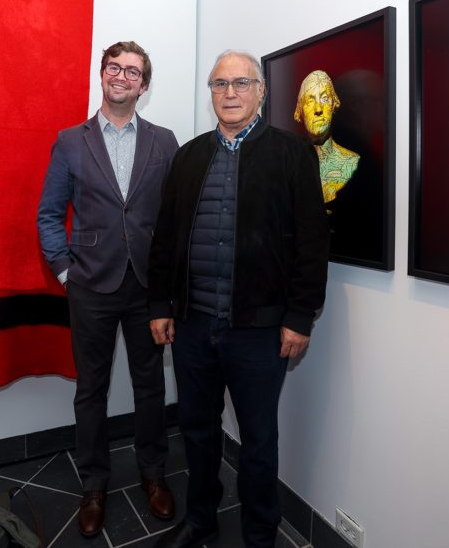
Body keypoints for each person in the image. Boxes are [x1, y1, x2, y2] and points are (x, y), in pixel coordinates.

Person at [147, 50, 329, 547]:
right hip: (193, 325)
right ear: (211, 93)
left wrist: (299, 317)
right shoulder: (189, 156)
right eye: (220, 84)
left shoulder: (293, 155)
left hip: (260, 330)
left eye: (241, 83)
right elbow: (165, 238)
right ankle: (200, 518)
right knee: (198, 431)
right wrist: (161, 305)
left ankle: (259, 533)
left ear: (261, 92)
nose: (230, 93)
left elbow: (312, 245)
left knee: (258, 441)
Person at [37, 41, 179, 538]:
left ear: (144, 84)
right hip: (91, 288)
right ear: (102, 75)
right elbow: (49, 214)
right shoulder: (70, 141)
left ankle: (153, 475)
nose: (122, 76)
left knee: (150, 387)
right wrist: (65, 273)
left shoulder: (165, 142)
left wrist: (169, 285)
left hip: (146, 289)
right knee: (90, 390)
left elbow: (174, 218)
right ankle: (94, 486)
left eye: (133, 71)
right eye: (114, 67)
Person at [293, 69, 359, 203]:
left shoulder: (352, 162)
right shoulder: (288, 165)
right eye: (310, 101)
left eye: (325, 98)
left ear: (334, 104)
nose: (318, 109)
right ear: (299, 111)